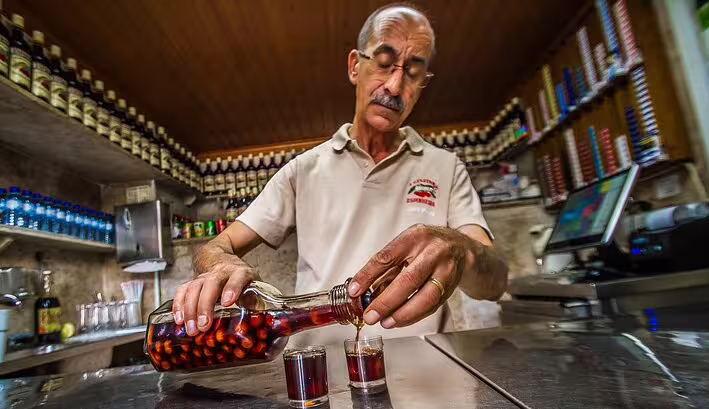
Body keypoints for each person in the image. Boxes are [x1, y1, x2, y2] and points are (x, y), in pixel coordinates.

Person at [172, 3, 508, 345]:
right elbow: (218, 244)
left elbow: (495, 283)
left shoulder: (446, 169)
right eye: (383, 63)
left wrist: (460, 249)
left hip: (427, 380)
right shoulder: (304, 170)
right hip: (320, 383)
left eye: (412, 73)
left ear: (423, 84)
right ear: (354, 66)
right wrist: (220, 265)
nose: (394, 86)